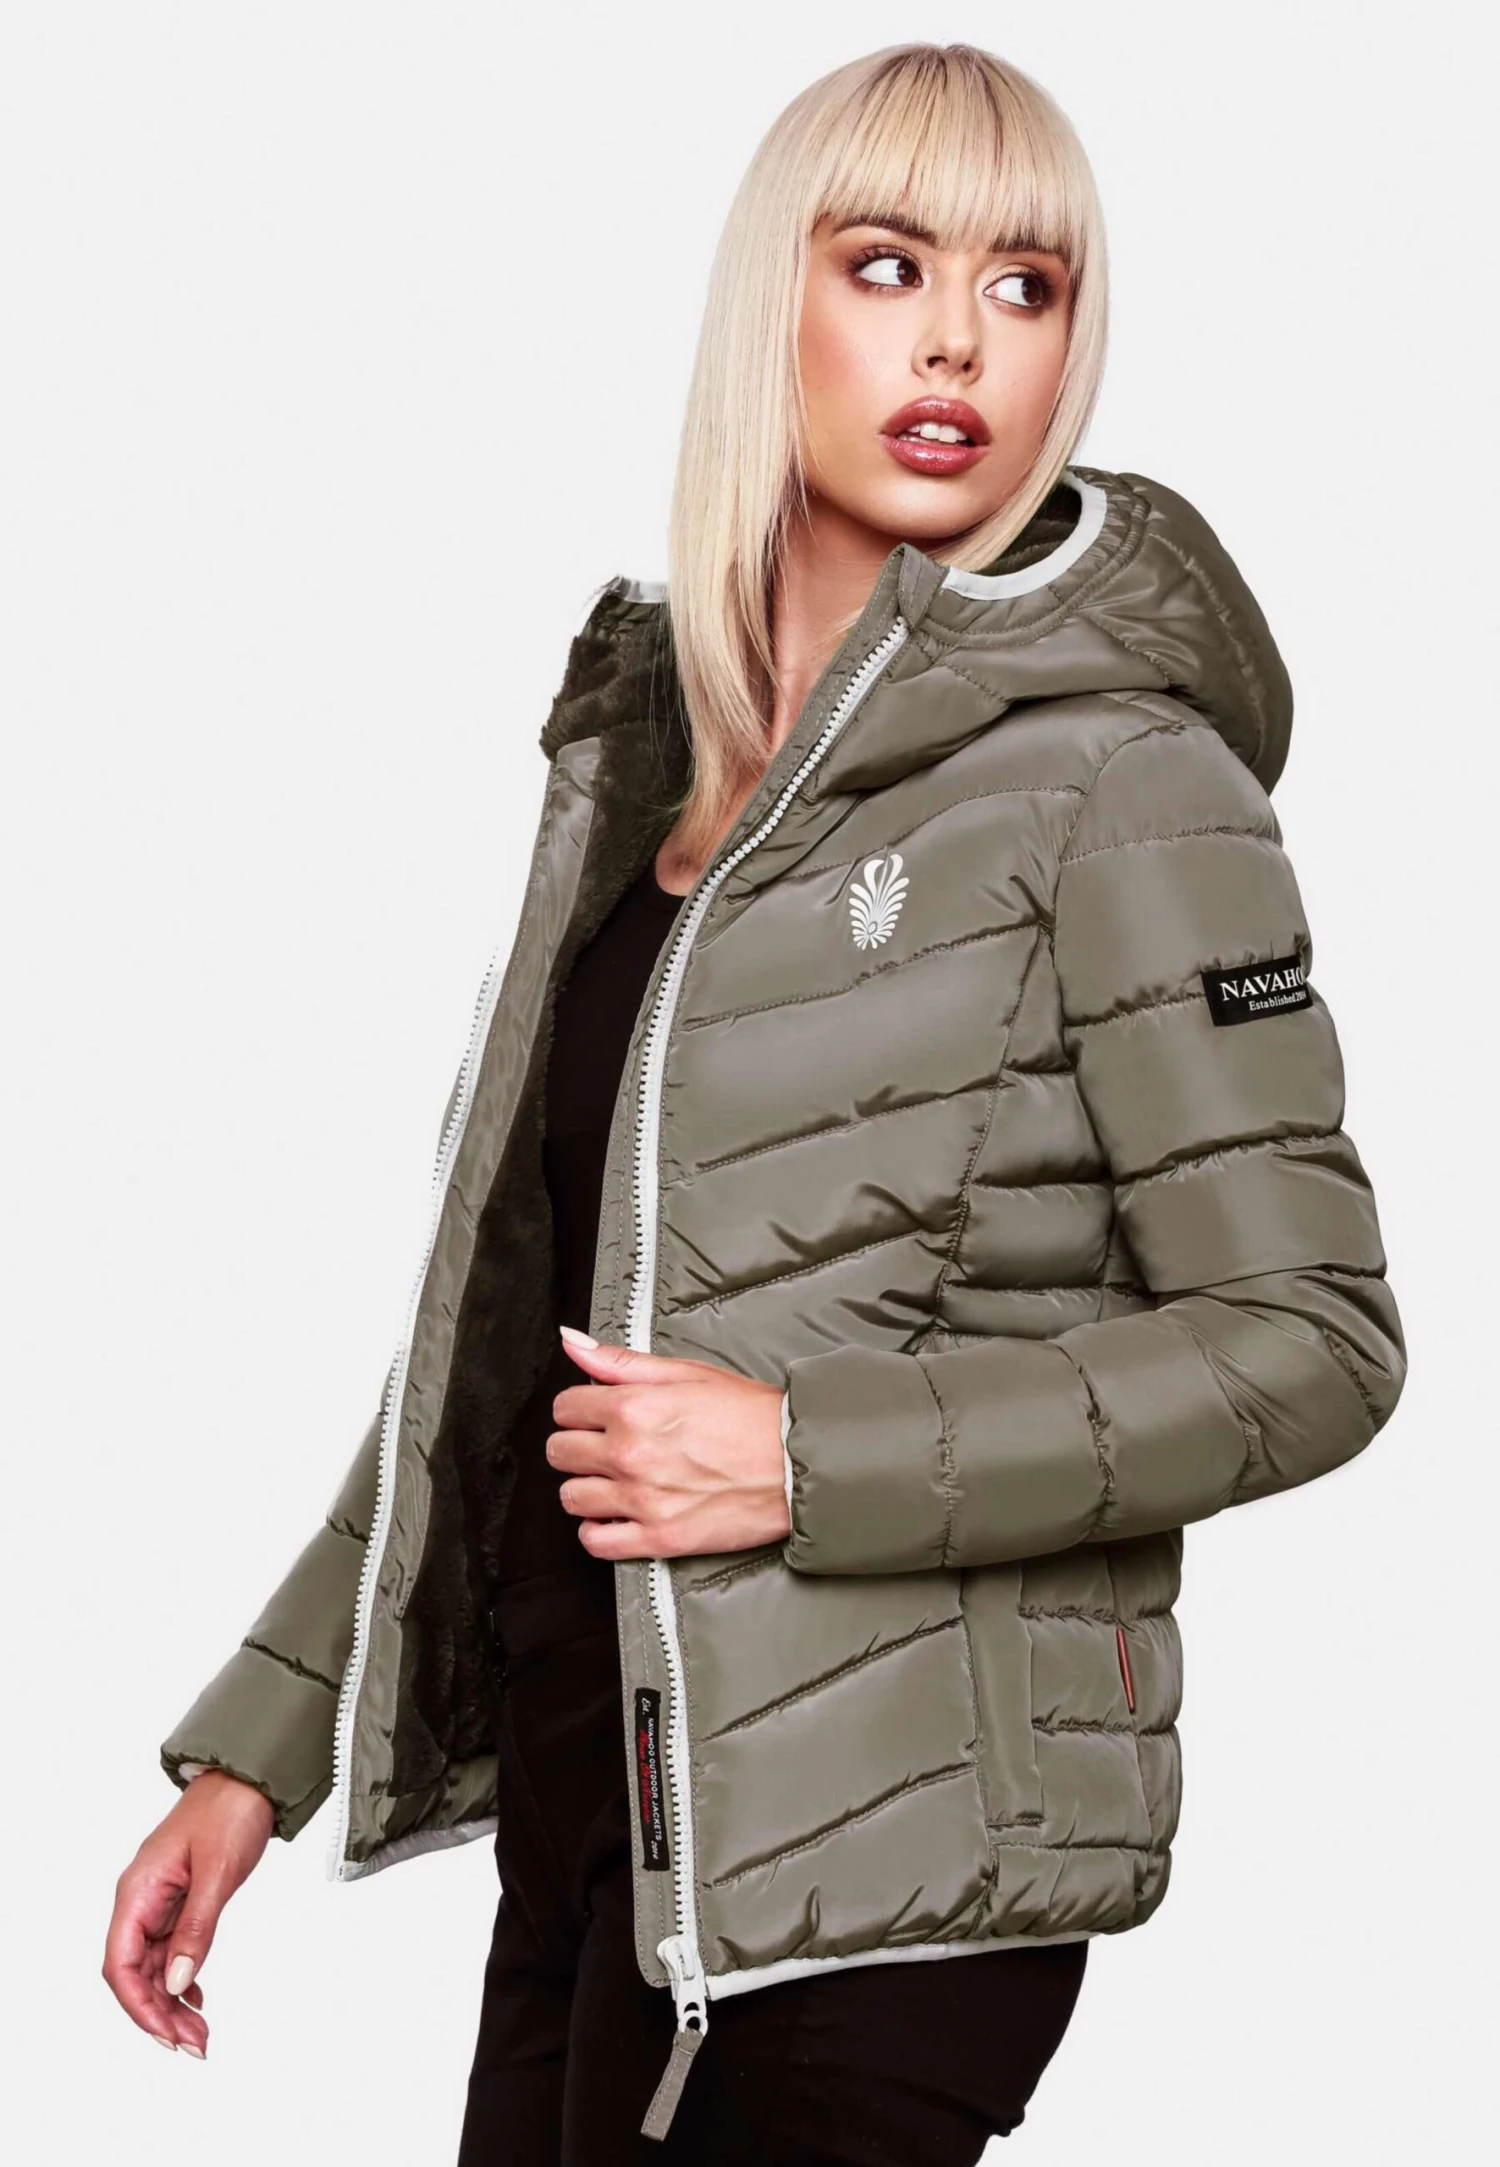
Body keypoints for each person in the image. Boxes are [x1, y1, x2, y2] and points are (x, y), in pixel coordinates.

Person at [103, 40, 1406, 2164]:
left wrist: (804, 1457)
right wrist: (262, 1745)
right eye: (889, 266)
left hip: (892, 1863)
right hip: (608, 1818)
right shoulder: (651, 796)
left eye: (1026, 286)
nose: (959, 341)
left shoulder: (1121, 781)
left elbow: (1313, 1342)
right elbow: (505, 1346)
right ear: (766, 305)